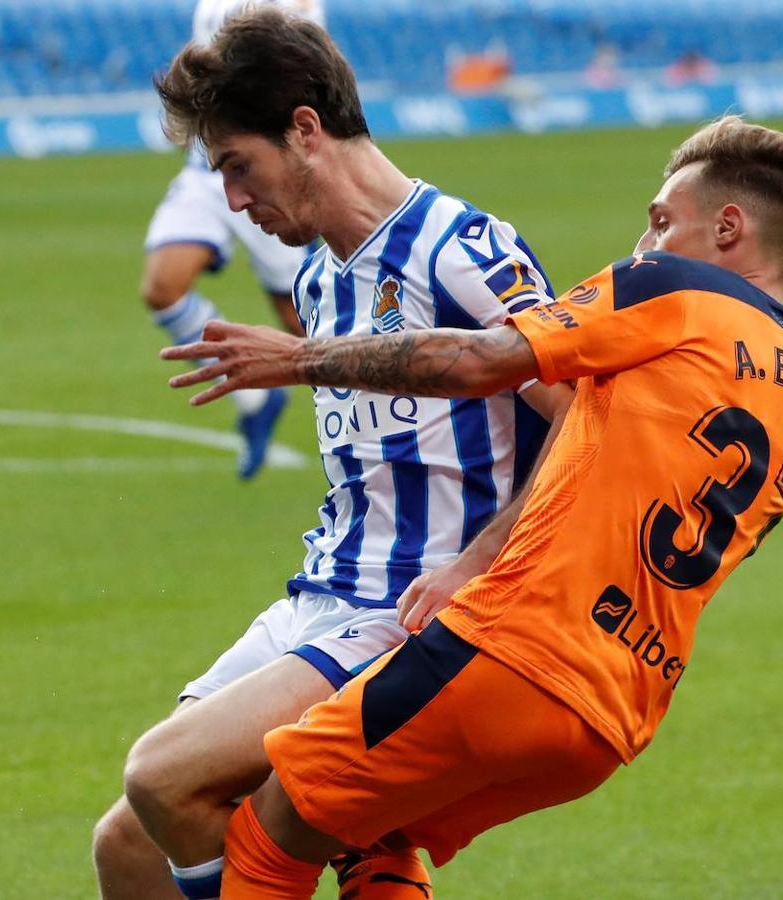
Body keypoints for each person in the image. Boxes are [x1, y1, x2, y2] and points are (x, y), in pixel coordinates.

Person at [162, 114, 783, 897]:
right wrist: (477, 557)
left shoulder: (669, 289)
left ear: (729, 226)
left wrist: (300, 358)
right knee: (373, 837)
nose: (644, 242)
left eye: (660, 221)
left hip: (510, 655)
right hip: (614, 713)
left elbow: (479, 358)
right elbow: (591, 456)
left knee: (271, 827)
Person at [95, 8, 572, 900]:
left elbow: (585, 427)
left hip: (416, 608)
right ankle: (375, 854)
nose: (233, 202)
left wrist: (473, 567)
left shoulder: (463, 252)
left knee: (163, 776)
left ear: (305, 129)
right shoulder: (318, 277)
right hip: (322, 596)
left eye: (239, 166)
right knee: (127, 843)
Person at [141, 0, 324, 480]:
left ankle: (378, 430)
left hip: (267, 168)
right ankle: (253, 396)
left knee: (310, 328)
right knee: (163, 287)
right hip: (206, 167)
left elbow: (307, 72)